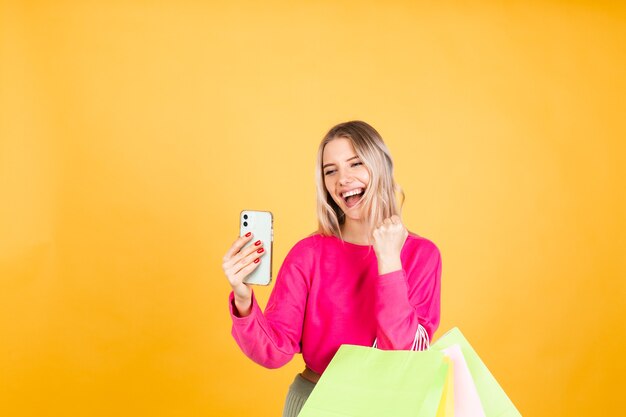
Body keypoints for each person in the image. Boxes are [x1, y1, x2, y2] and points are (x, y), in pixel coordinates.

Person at [222, 121, 441, 417]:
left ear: (381, 168)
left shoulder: (421, 255)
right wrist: (244, 300)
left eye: (355, 163)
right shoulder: (309, 253)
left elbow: (401, 356)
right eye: (330, 170)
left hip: (387, 408)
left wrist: (389, 261)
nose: (343, 179)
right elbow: (275, 352)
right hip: (315, 402)